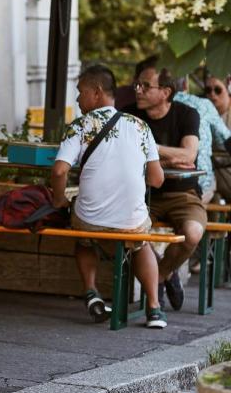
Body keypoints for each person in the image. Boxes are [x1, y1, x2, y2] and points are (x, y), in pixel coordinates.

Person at [51, 65, 166, 328]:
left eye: (80, 92)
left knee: (83, 238)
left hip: (89, 220)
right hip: (131, 221)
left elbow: (59, 171)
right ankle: (154, 309)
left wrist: (59, 199)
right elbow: (157, 180)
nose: (78, 99)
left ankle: (91, 291)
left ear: (97, 92)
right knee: (141, 243)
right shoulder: (140, 126)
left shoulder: (79, 126)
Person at [127, 59, 207, 312]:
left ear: (165, 92)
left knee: (193, 233)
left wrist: (150, 150)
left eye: (145, 85)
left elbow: (189, 155)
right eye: (137, 84)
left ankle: (162, 274)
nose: (138, 89)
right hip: (141, 194)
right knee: (132, 232)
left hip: (182, 194)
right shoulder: (129, 116)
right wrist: (169, 156)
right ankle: (161, 278)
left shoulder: (186, 114)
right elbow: (126, 155)